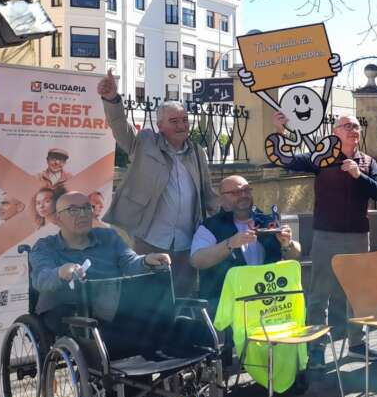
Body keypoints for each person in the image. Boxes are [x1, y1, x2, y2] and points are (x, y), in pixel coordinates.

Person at [275, 112, 377, 362]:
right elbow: (286, 160)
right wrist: (281, 132)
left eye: (356, 127)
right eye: (347, 126)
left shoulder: (368, 161)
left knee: (357, 293)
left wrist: (360, 175)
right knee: (319, 294)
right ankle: (316, 347)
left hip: (358, 236)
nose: (353, 130)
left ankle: (357, 343)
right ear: (335, 132)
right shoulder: (321, 158)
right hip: (326, 235)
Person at [98, 69, 216, 297]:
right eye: (174, 121)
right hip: (150, 238)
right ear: (160, 125)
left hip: (186, 242)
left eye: (184, 120)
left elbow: (207, 192)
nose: (181, 125)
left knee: (184, 299)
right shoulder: (146, 143)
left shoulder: (197, 152)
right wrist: (112, 100)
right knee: (146, 298)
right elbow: (120, 128)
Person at [29, 191, 171, 339]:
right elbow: (41, 278)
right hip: (66, 314)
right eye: (73, 210)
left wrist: (146, 260)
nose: (83, 214)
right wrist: (61, 272)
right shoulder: (45, 247)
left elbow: (129, 262)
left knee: (155, 319)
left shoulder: (109, 237)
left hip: (108, 310)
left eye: (86, 208)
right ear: (58, 218)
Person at [190, 175, 301, 316]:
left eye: (247, 190)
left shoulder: (268, 222)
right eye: (236, 192)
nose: (243, 195)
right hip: (227, 303)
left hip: (270, 301)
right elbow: (197, 260)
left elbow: (295, 254)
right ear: (222, 199)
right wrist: (230, 244)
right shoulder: (210, 227)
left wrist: (288, 243)